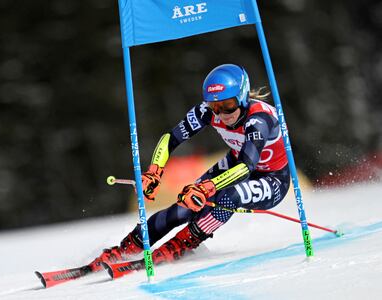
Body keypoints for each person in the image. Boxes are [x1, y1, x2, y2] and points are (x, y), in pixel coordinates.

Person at [89, 63, 290, 271]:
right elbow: (170, 138)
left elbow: (247, 166)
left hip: (271, 178)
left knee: (230, 197)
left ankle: (182, 244)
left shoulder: (258, 119)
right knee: (186, 205)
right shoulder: (207, 112)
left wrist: (207, 187)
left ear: (242, 96)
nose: (222, 114)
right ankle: (128, 247)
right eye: (215, 107)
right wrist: (155, 170)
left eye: (228, 104)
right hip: (235, 163)